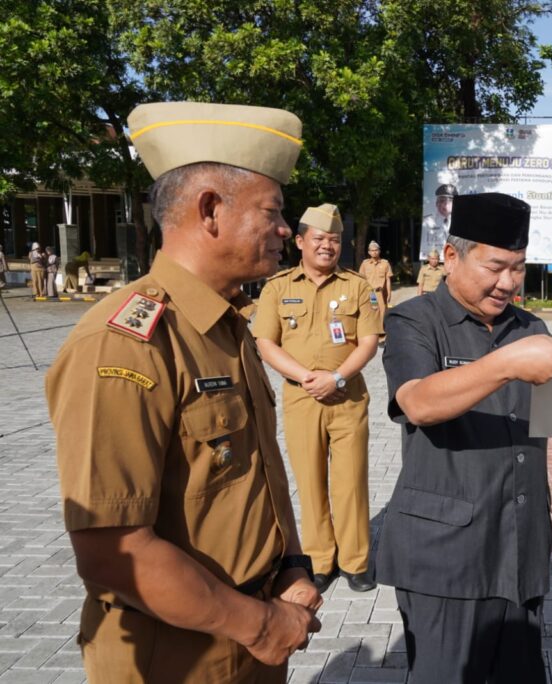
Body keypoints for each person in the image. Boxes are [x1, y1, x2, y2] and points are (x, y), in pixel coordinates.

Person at [45, 101, 321, 682]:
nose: (284, 230)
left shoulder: (228, 326)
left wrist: (292, 565)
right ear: (210, 209)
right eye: (272, 211)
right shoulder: (124, 343)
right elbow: (111, 549)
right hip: (175, 656)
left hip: (253, 630)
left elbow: (258, 473)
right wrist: (262, 626)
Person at [377, 192, 552, 682]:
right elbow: (418, 402)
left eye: (519, 268)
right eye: (494, 266)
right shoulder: (414, 320)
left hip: (519, 543)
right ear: (451, 257)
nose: (508, 282)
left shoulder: (530, 327)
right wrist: (507, 363)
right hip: (445, 554)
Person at [253, 202, 380, 594]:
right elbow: (265, 342)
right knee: (309, 482)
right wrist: (306, 376)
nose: (328, 246)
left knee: (351, 481)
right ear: (301, 241)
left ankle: (355, 561)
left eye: (335, 240)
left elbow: (370, 341)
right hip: (301, 398)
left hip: (347, 398)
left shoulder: (357, 286)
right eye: (320, 239)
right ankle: (320, 560)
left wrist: (337, 377)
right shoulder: (278, 287)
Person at [358, 240, 392, 336]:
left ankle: (381, 334)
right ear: (369, 252)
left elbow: (388, 279)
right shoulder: (365, 264)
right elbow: (361, 279)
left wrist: (389, 293)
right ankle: (371, 332)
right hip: (370, 293)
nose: (374, 252)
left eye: (376, 250)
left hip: (380, 293)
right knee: (371, 311)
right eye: (372, 250)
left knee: (382, 312)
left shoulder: (385, 263)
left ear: (379, 251)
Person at [421, 184, 457, 258]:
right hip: (437, 260)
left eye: (450, 201)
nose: (445, 205)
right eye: (442, 201)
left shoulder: (461, 221)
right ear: (437, 203)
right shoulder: (427, 221)